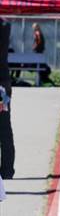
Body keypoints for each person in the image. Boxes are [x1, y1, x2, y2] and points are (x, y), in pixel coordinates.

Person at [0, 17, 15, 180]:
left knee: (4, 127)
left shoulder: (3, 27)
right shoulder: (5, 25)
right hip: (4, 83)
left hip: (1, 85)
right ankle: (7, 168)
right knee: (5, 127)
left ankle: (7, 168)